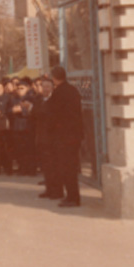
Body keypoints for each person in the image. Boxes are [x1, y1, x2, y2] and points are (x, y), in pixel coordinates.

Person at [48, 66, 84, 208]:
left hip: (63, 136)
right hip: (75, 135)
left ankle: (72, 197)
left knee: (66, 168)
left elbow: (53, 114)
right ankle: (73, 196)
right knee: (72, 167)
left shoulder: (58, 92)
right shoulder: (73, 90)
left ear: (54, 78)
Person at [31, 77, 60, 199]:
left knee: (54, 166)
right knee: (46, 166)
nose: (45, 89)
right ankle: (49, 189)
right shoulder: (38, 100)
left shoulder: (55, 101)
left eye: (48, 86)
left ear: (53, 88)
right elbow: (33, 115)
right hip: (41, 137)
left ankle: (57, 191)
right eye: (44, 87)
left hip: (52, 139)